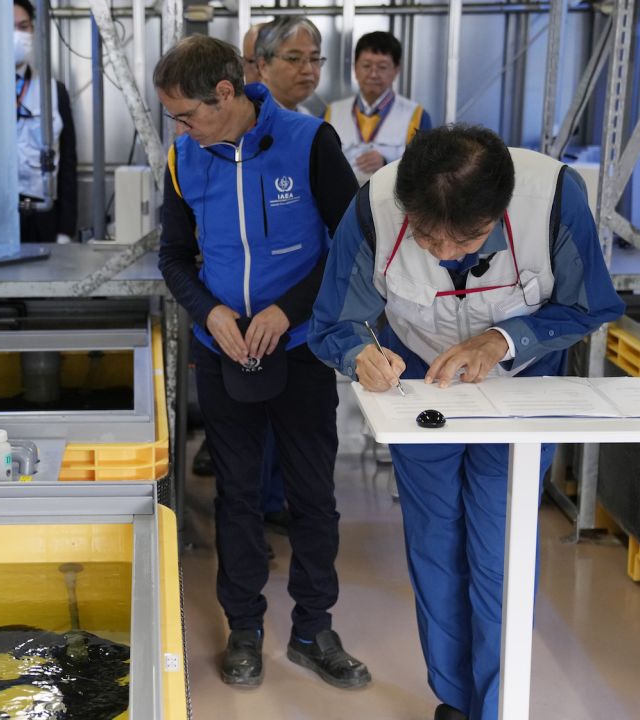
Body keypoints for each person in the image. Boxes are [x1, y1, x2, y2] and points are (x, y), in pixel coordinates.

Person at [309, 125, 626, 720]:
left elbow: (591, 304)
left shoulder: (554, 197)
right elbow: (333, 323)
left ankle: (497, 705)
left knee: (499, 544)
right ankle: (455, 698)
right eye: (428, 239)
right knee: (434, 539)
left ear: (501, 210)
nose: (447, 255)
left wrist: (502, 339)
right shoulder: (374, 209)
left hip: (523, 379)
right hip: (423, 383)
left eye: (471, 239)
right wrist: (359, 355)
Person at [154, 35, 369, 690]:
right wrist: (210, 313)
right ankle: (243, 627)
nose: (182, 129)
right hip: (226, 354)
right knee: (238, 496)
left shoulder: (308, 144)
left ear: (226, 94)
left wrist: (289, 311)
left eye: (187, 114)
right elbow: (171, 256)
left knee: (311, 496)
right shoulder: (184, 160)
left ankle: (312, 629)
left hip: (298, 349)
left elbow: (353, 243)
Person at [325, 31, 432, 184]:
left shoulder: (417, 116)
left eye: (382, 67)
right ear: (355, 68)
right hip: (341, 203)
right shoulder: (331, 113)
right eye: (366, 66)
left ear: (396, 70)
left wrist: (386, 163)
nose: (373, 74)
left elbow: (425, 171)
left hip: (393, 204)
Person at [13, 0, 77, 243]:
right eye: (10, 27)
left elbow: (69, 162)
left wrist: (65, 229)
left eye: (23, 26)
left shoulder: (52, 91)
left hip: (43, 215)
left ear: (33, 30)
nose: (17, 35)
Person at [255, 16, 325, 116]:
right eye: (294, 59)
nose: (308, 70)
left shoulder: (307, 116)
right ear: (263, 67)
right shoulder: (249, 120)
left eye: (314, 59)